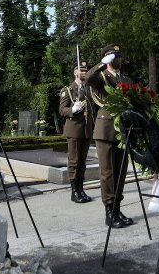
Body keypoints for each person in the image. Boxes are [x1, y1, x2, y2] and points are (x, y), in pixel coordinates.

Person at [83, 44, 136, 228]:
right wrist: (100, 64)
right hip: (105, 129)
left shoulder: (126, 79)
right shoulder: (101, 78)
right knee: (107, 173)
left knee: (120, 172)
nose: (118, 59)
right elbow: (87, 79)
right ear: (107, 58)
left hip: (123, 130)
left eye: (119, 56)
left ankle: (117, 208)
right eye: (114, 56)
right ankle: (109, 211)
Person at [60, 63, 93, 203]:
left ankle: (81, 189)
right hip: (74, 129)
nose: (84, 72)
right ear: (75, 72)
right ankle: (74, 191)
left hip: (86, 130)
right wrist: (72, 109)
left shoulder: (89, 89)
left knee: (82, 162)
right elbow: (62, 110)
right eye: (81, 70)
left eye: (86, 70)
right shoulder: (68, 90)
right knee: (74, 161)